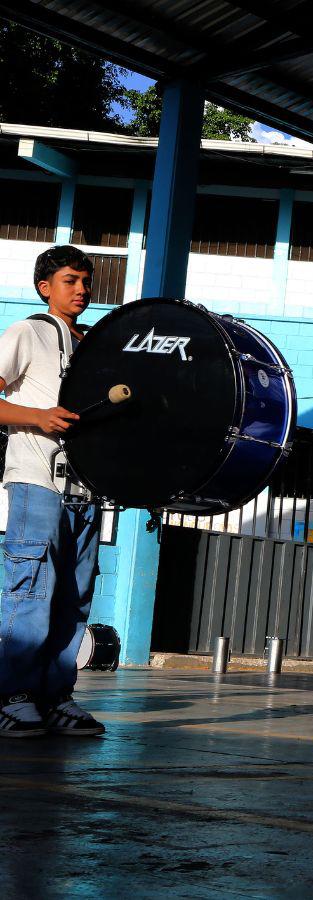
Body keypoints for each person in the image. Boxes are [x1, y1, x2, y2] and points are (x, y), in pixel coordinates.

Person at [0, 245, 104, 738]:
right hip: (36, 481)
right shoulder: (27, 332)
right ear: (45, 287)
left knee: (75, 594)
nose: (81, 289)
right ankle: (11, 697)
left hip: (87, 488)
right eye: (70, 280)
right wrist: (37, 417)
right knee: (30, 589)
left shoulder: (95, 344)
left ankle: (55, 696)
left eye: (86, 281)